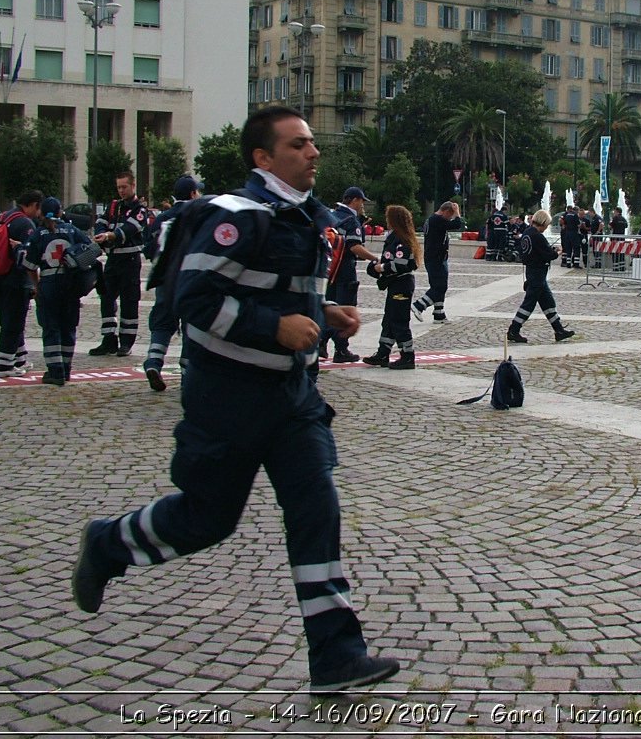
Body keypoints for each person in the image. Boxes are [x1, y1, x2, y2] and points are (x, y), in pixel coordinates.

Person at [70, 106, 400, 695]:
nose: (313, 152)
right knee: (207, 519)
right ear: (263, 158)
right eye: (298, 145)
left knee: (316, 511)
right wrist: (274, 328)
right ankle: (108, 544)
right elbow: (194, 301)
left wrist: (325, 316)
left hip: (293, 401)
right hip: (228, 400)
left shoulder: (304, 218)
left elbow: (276, 293)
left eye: (311, 143)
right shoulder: (235, 215)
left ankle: (336, 656)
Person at [22, 197, 93, 385]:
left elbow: (29, 265)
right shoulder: (72, 230)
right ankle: (67, 369)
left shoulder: (39, 233)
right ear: (61, 212)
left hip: (49, 283)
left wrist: (37, 288)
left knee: (51, 327)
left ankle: (55, 372)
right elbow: (91, 248)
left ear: (42, 213)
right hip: (70, 284)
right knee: (69, 327)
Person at [141, 175, 203, 391]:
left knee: (162, 323)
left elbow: (149, 248)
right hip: (190, 279)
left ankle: (153, 362)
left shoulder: (162, 217)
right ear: (193, 193)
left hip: (165, 279)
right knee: (191, 326)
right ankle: (187, 374)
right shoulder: (199, 214)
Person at [90, 171, 152, 356]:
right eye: (119, 187)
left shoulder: (139, 210)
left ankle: (126, 342)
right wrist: (102, 233)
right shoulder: (113, 206)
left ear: (133, 186)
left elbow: (129, 229)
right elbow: (100, 222)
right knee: (107, 298)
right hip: (113, 260)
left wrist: (110, 235)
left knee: (129, 301)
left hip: (130, 261)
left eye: (124, 187)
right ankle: (108, 339)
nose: (121, 191)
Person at [0, 191, 43, 377]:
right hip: (16, 280)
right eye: (39, 209)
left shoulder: (3, 216)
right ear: (34, 205)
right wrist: (36, 284)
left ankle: (19, 359)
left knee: (9, 321)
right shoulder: (25, 223)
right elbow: (29, 258)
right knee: (13, 323)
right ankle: (3, 366)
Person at [321, 187, 375, 363]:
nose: (362, 206)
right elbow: (354, 247)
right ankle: (341, 349)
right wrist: (375, 259)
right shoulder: (351, 220)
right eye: (361, 202)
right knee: (346, 308)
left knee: (330, 307)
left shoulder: (332, 215)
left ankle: (321, 343)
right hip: (345, 271)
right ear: (355, 200)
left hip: (330, 270)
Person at [362, 205, 419, 369]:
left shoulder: (402, 239)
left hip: (402, 284)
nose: (386, 221)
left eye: (389, 218)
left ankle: (407, 356)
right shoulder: (394, 237)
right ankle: (383, 353)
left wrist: (382, 268)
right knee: (389, 321)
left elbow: (402, 264)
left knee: (399, 321)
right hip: (395, 284)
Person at [507, 209, 575, 344]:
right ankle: (514, 330)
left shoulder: (527, 233)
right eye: (547, 225)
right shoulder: (537, 236)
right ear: (543, 223)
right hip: (537, 273)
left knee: (548, 302)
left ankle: (559, 330)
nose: (547, 228)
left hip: (532, 272)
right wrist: (558, 252)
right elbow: (548, 254)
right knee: (529, 304)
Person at [413, 200, 463, 322]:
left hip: (436, 257)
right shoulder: (437, 220)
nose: (450, 218)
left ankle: (439, 313)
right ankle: (419, 305)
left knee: (440, 286)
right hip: (436, 258)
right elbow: (457, 225)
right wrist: (457, 212)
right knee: (439, 287)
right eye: (450, 215)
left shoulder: (432, 219)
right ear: (446, 211)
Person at [609, 206, 629, 272]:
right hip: (622, 238)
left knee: (615, 253)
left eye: (614, 212)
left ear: (617, 212)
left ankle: (616, 267)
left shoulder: (615, 218)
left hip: (615, 238)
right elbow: (626, 226)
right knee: (621, 253)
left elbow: (610, 226)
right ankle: (622, 267)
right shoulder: (623, 219)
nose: (614, 213)